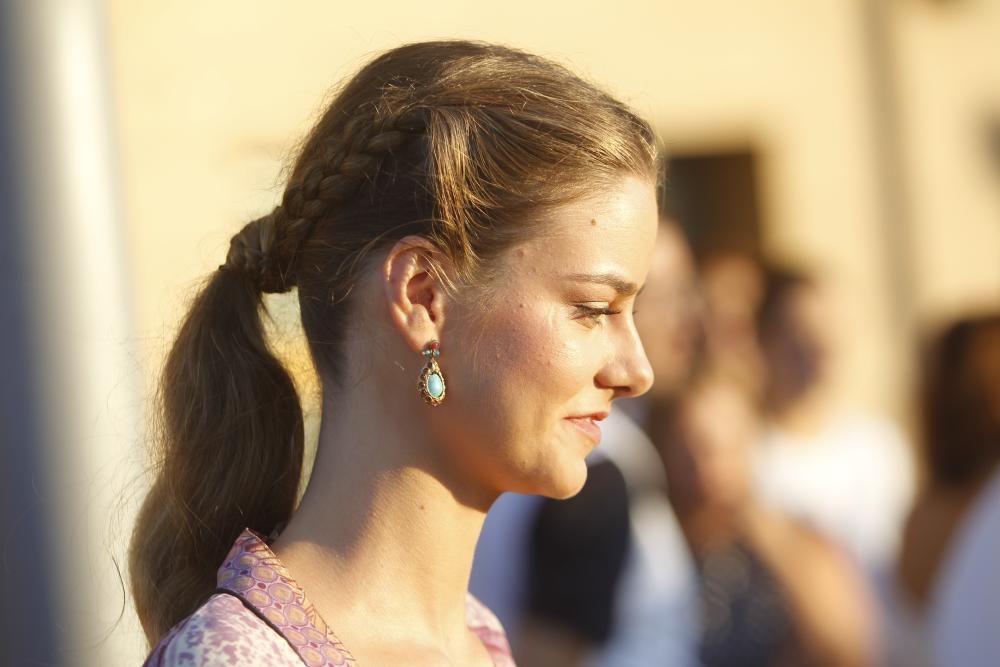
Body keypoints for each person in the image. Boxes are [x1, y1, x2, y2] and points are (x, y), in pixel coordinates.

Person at [129, 40, 661, 666]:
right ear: (423, 296)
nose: (636, 373)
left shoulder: (476, 637)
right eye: (593, 309)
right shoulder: (235, 659)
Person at [473, 220, 702, 667]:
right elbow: (548, 653)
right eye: (663, 298)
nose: (690, 318)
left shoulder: (595, 448)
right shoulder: (587, 464)